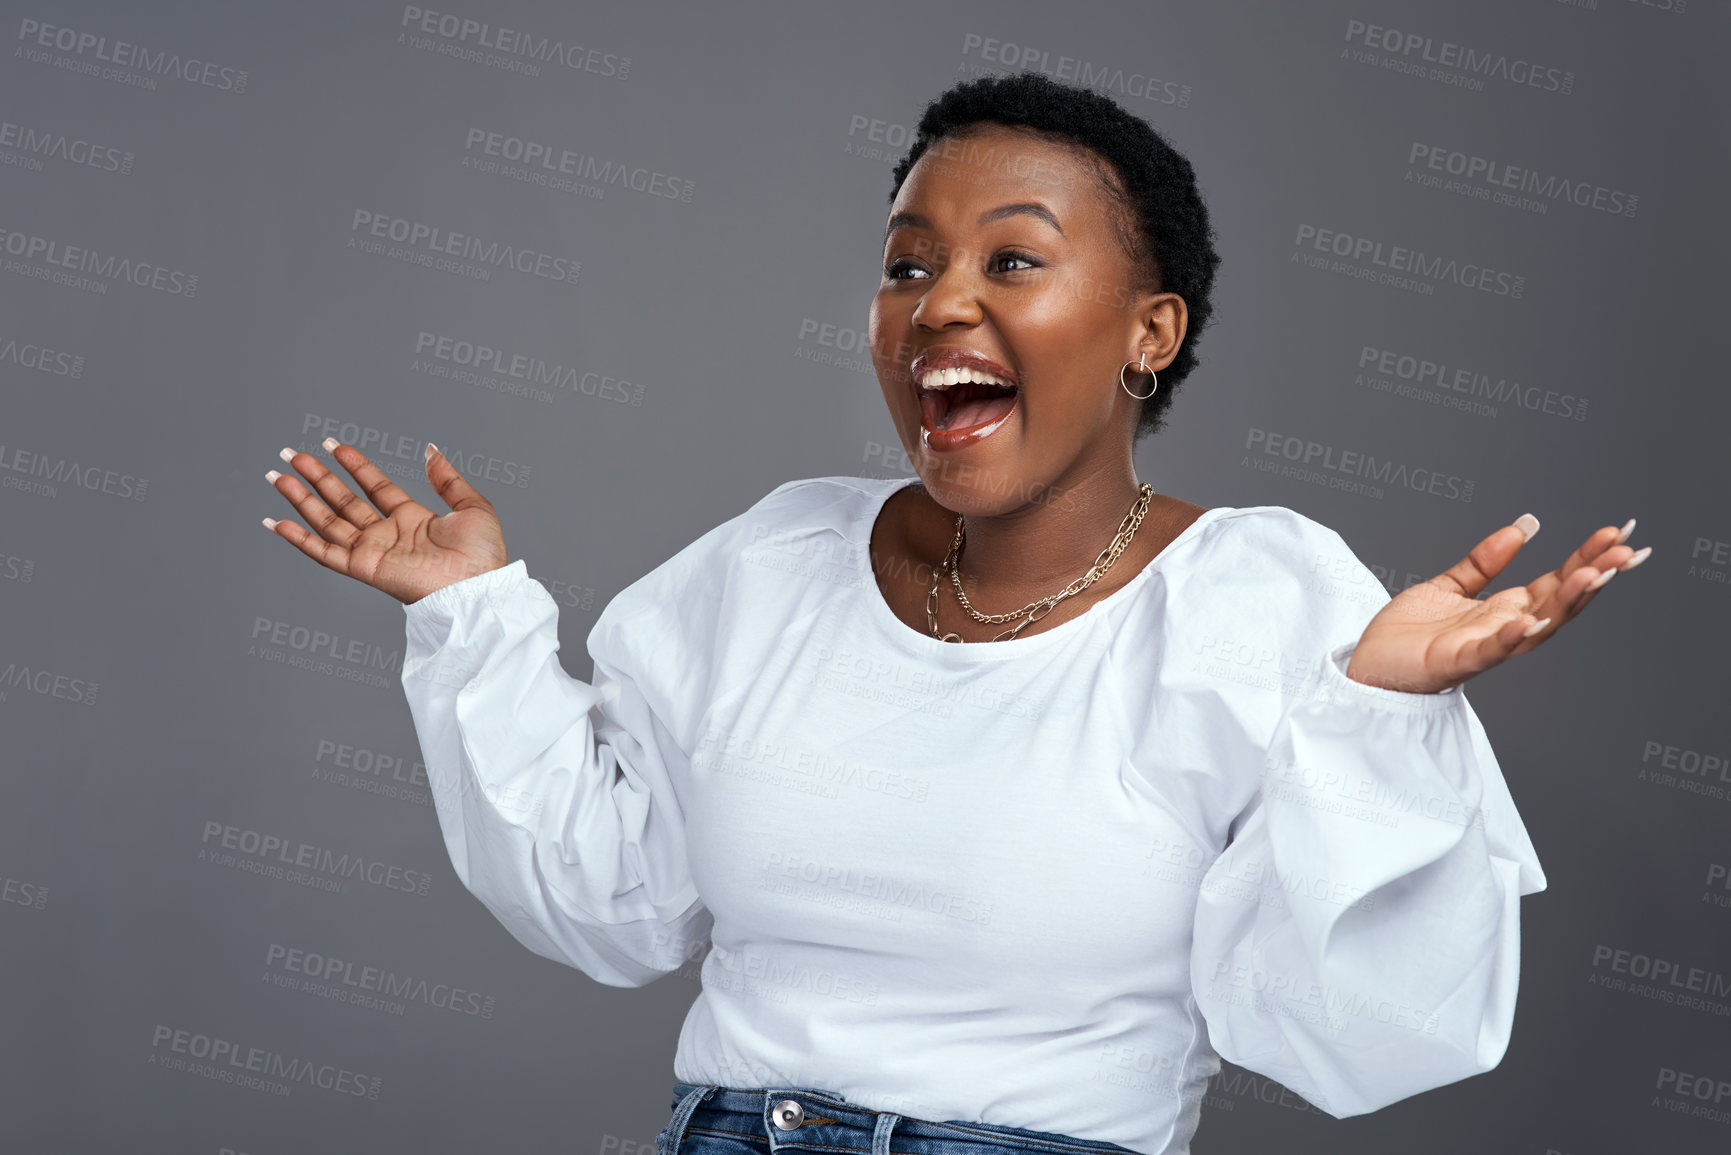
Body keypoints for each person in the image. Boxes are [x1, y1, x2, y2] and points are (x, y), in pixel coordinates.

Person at [260, 74, 1648, 1155]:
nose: (941, 306)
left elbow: (1357, 1036)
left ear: (1149, 332)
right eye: (910, 264)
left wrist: (1384, 723)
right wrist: (472, 623)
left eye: (1014, 261)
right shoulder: (775, 561)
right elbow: (609, 900)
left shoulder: (1262, 598)